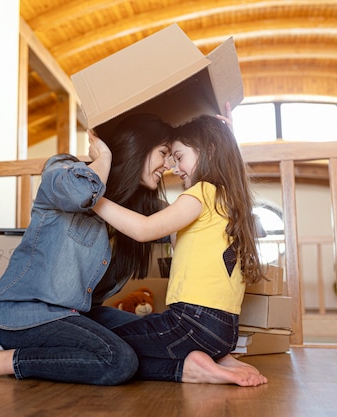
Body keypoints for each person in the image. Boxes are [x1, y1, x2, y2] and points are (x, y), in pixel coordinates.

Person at [0, 113, 175, 385]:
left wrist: (211, 149)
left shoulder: (136, 210)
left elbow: (186, 221)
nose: (168, 164)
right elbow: (81, 193)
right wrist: (104, 157)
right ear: (138, 146)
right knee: (118, 360)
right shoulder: (64, 169)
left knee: (160, 334)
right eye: (163, 152)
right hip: (25, 313)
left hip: (80, 315)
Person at [92, 114, 269, 387]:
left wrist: (93, 197)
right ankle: (214, 360)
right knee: (116, 334)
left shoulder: (201, 193)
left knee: (99, 342)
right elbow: (177, 239)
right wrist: (226, 135)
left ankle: (195, 369)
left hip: (192, 324)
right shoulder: (230, 201)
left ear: (209, 151)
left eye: (178, 156)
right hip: (224, 332)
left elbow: (144, 230)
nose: (175, 167)